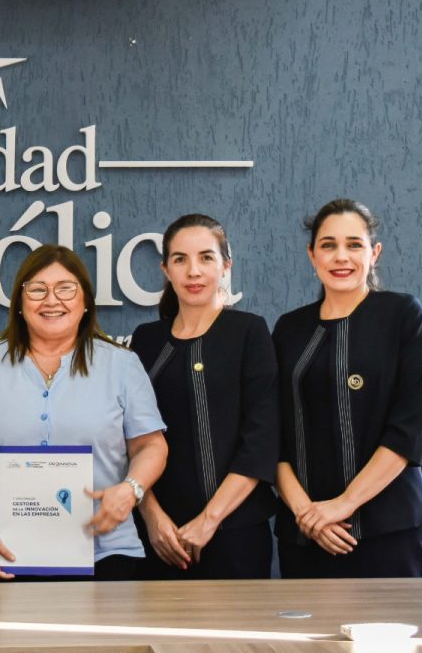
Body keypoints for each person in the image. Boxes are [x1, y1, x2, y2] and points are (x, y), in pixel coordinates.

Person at [0, 244, 168, 581]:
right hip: (4, 552)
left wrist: (131, 489)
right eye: (37, 290)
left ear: (85, 300)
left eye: (65, 288)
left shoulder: (122, 365)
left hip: (105, 553)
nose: (51, 300)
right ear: (19, 303)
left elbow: (152, 446)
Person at [272, 199, 422, 578]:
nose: (340, 256)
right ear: (312, 255)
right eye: (328, 245)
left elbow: (407, 432)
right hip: (305, 535)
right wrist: (308, 514)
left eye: (354, 245)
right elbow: (273, 436)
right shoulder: (289, 329)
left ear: (374, 253)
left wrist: (342, 505)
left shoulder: (403, 316)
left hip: (391, 531)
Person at [130, 215, 279, 580]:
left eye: (206, 258)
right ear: (166, 269)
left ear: (226, 265)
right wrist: (152, 517)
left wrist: (209, 520)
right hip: (161, 537)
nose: (193, 271)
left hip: (237, 533)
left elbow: (261, 440)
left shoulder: (249, 332)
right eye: (180, 259)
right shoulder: (147, 340)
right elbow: (128, 440)